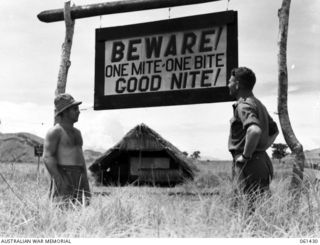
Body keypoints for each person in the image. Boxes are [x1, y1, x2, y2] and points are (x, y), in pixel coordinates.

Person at [227, 67, 279, 211]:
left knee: (243, 210)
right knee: (260, 208)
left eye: (230, 81)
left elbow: (254, 130)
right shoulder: (258, 104)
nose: (228, 85)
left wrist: (246, 155)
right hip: (262, 161)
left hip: (248, 164)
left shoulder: (243, 105)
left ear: (237, 84)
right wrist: (261, 148)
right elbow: (274, 131)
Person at [43, 93, 91, 205]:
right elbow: (47, 157)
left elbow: (80, 158)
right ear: (64, 112)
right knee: (61, 207)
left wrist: (85, 183)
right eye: (75, 109)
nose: (78, 112)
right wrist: (59, 180)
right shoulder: (55, 131)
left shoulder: (77, 133)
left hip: (79, 175)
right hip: (63, 173)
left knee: (80, 208)